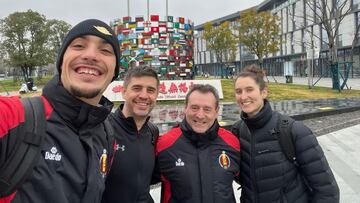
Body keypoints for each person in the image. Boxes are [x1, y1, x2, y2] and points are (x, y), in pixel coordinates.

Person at [0, 19, 120, 203]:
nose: (91, 55)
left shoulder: (107, 136)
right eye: (79, 45)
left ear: (114, 72)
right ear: (61, 61)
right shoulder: (12, 116)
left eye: (105, 51)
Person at [232, 64, 339, 203]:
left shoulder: (294, 131)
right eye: (238, 91)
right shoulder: (237, 131)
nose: (243, 96)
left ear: (264, 92)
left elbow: (327, 190)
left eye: (249, 90)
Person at [155, 84, 240, 203]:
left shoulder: (232, 143)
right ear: (185, 108)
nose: (200, 115)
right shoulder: (165, 144)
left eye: (207, 109)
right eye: (194, 108)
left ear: (216, 111)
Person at [102, 66, 160, 203]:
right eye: (137, 88)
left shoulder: (153, 132)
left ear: (157, 95)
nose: (144, 95)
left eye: (150, 90)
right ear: (123, 92)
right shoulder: (102, 127)